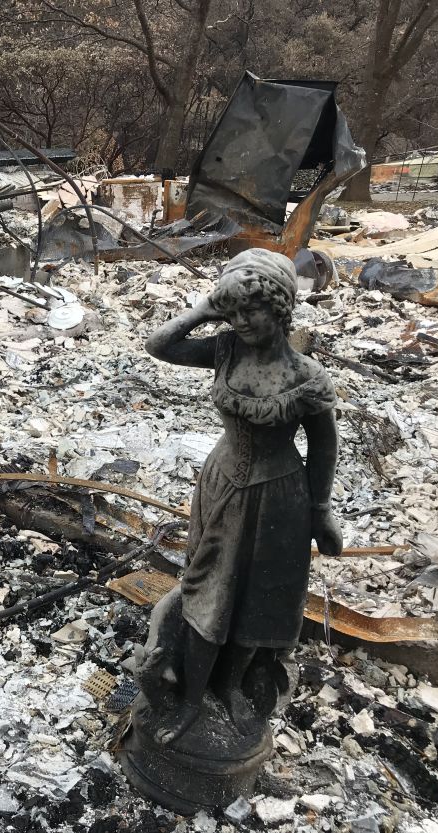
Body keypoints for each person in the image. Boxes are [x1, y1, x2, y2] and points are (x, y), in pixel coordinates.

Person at [143, 248, 342, 745]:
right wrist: (206, 308)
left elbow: (324, 446)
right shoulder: (225, 349)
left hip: (281, 499)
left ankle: (230, 687)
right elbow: (159, 345)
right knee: (209, 593)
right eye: (233, 312)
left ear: (279, 309)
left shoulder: (306, 377)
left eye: (252, 310)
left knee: (260, 602)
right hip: (222, 487)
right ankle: (190, 699)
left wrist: (321, 512)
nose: (242, 321)